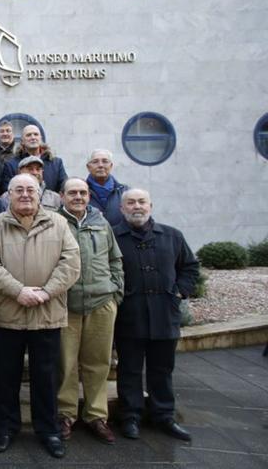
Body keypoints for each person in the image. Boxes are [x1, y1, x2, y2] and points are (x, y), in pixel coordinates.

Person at [0, 173, 81, 459]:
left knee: (46, 378)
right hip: (8, 314)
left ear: (40, 193)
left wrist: (46, 293)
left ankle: (48, 430)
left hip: (47, 314)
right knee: (5, 377)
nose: (25, 194)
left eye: (30, 190)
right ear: (8, 194)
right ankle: (5, 428)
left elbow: (71, 264)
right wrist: (18, 291)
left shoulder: (58, 223)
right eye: (18, 190)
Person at [113, 188, 199, 442]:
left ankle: (164, 415)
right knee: (129, 369)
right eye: (130, 202)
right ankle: (130, 416)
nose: (136, 206)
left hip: (165, 313)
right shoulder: (113, 236)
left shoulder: (172, 235)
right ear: (121, 208)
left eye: (141, 202)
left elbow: (190, 267)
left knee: (162, 369)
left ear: (151, 206)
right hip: (129, 315)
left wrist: (180, 292)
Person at [56, 178, 124, 445]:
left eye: (82, 193)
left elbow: (114, 258)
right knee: (67, 363)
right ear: (62, 196)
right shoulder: (54, 223)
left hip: (101, 302)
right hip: (67, 305)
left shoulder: (100, 222)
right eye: (72, 193)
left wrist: (115, 292)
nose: (78, 197)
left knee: (98, 362)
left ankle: (96, 415)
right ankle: (66, 414)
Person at [0, 125, 67, 195]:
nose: (33, 137)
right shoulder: (11, 165)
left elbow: (64, 189)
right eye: (28, 135)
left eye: (36, 134)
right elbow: (7, 192)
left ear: (40, 138)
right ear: (22, 141)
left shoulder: (56, 163)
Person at [86, 149, 128, 226]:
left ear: (111, 166)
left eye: (105, 161)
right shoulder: (81, 192)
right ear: (88, 167)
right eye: (95, 162)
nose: (100, 165)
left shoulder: (125, 191)